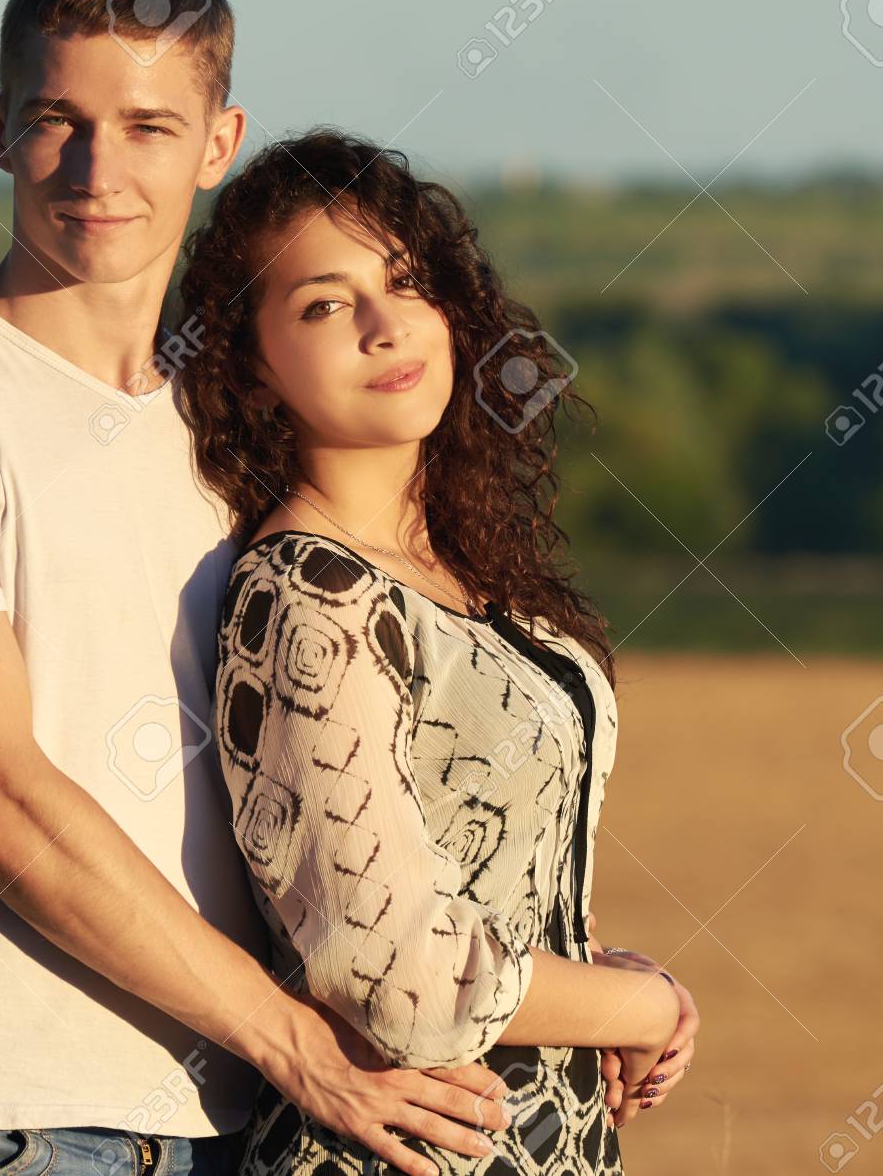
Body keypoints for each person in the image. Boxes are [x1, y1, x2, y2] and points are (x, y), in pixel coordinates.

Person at [0, 0, 521, 1176]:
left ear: (220, 143)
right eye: (56, 118)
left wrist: (544, 967)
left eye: (148, 126)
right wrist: (293, 1044)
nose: (95, 169)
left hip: (240, 1119)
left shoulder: (236, 408)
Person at [173, 128, 701, 1173]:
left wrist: (589, 979)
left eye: (405, 282)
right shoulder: (305, 598)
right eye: (324, 305)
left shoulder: (459, 570)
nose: (383, 325)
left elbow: (486, 882)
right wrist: (641, 1004)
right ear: (252, 365)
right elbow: (398, 972)